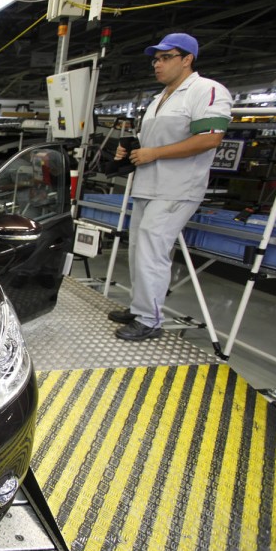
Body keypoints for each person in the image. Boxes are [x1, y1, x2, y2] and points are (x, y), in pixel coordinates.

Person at [110, 32, 232, 341]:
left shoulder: (207, 91)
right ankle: (139, 308)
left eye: (166, 57)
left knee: (153, 250)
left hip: (178, 187)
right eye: (156, 59)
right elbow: (153, 142)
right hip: (148, 184)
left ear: (187, 59)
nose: (158, 64)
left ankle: (149, 320)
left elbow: (210, 139)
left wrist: (154, 153)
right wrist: (131, 149)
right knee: (138, 249)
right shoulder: (158, 99)